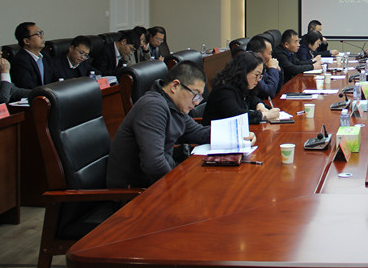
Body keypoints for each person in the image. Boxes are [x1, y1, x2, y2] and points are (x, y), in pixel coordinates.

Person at [106, 61, 256, 188]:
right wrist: (182, 187)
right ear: (175, 86)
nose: (196, 102)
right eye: (195, 94)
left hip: (158, 182)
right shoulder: (152, 107)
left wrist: (239, 135)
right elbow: (154, 164)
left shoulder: (173, 107)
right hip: (133, 194)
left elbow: (200, 133)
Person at [201, 52, 280, 125]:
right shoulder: (224, 90)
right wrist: (263, 115)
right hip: (216, 133)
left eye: (260, 76)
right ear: (243, 72)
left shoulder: (241, 85)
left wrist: (259, 105)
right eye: (256, 75)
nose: (258, 79)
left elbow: (252, 98)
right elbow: (236, 115)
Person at [10, 22, 54, 89]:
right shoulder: (19, 62)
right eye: (38, 34)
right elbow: (27, 87)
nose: (42, 36)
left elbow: (55, 77)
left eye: (41, 33)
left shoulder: (45, 56)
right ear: (26, 41)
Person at [0, 35, 30, 104]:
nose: (0, 52)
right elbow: (3, 99)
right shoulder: (2, 68)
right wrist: (5, 72)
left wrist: (40, 92)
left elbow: (13, 91)